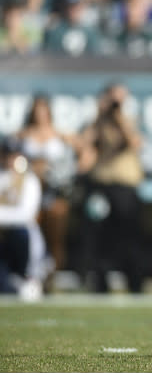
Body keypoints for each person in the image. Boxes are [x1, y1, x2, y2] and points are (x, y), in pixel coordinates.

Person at [77, 82, 145, 293]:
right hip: (101, 187)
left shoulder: (130, 121)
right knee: (99, 240)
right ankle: (100, 285)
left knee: (128, 239)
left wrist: (118, 118)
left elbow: (134, 143)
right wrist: (100, 116)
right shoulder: (97, 123)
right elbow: (84, 150)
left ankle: (134, 285)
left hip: (125, 188)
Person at [16, 95, 76, 291]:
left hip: (53, 193)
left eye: (43, 110)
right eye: (36, 110)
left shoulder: (59, 135)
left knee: (56, 238)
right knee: (30, 236)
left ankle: (52, 280)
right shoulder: (22, 135)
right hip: (29, 194)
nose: (40, 115)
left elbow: (80, 153)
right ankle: (29, 277)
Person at [0, 136, 45, 301]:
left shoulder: (30, 181)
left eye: (14, 155)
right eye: (7, 155)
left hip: (20, 241)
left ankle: (24, 276)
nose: (11, 160)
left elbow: (25, 215)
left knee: (21, 232)